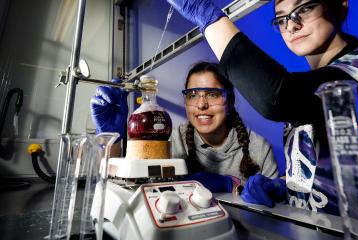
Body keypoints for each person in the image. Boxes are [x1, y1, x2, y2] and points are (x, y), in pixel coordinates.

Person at [161, 0, 358, 236]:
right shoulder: (305, 96)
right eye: (281, 18)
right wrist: (287, 188)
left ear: (340, 5)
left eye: (305, 8)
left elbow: (277, 97)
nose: (292, 25)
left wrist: (206, 15)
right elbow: (320, 174)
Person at [90, 62, 278, 193]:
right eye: (193, 94)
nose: (202, 105)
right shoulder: (169, 140)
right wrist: (111, 136)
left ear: (230, 102)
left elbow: (279, 215)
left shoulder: (259, 149)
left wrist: (236, 185)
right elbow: (123, 186)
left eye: (213, 94)